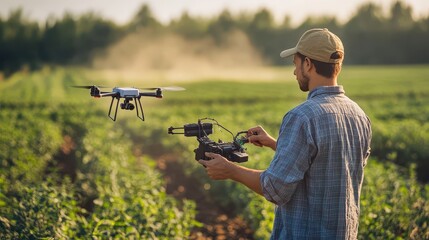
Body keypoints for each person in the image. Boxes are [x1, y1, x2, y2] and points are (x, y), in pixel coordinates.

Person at [198, 28, 372, 239]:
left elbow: (275, 189)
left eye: (295, 64)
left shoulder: (302, 117)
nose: (294, 72)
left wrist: (230, 170)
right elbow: (326, 163)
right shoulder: (359, 115)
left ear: (307, 64)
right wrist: (275, 143)